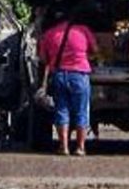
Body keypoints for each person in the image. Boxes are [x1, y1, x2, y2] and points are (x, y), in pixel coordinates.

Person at [37, 8, 97, 156]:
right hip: (79, 75)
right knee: (81, 111)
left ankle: (63, 147)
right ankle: (80, 147)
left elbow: (43, 59)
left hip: (59, 75)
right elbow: (95, 50)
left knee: (61, 110)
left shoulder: (49, 34)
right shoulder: (83, 30)